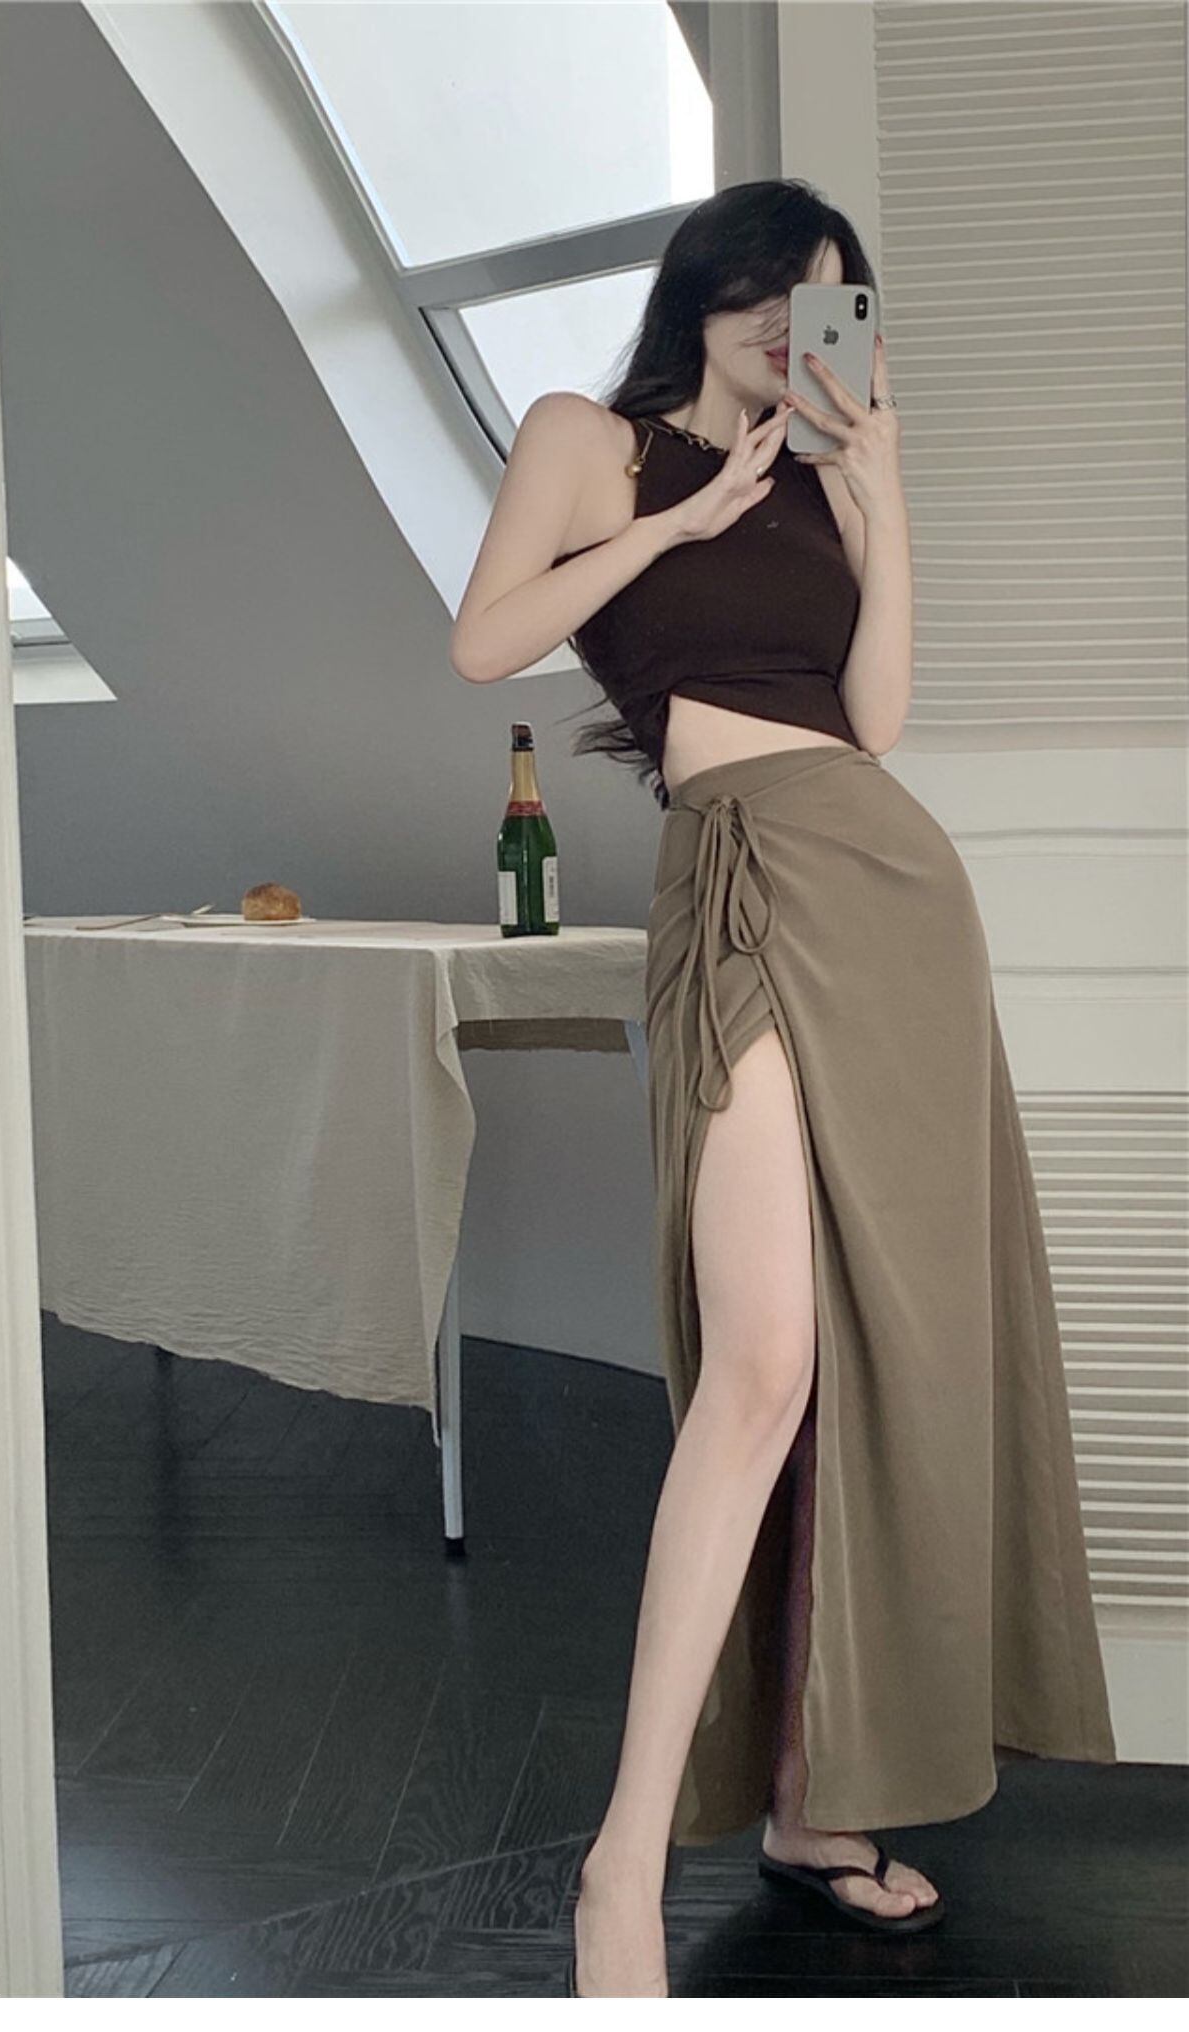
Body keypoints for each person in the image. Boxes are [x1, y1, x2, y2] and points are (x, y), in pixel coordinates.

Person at [450, 180, 1117, 1999]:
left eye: (824, 302)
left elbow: (874, 719)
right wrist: (691, 521)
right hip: (741, 876)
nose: (785, 324)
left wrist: (879, 496)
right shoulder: (590, 442)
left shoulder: (829, 476)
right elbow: (484, 642)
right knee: (760, 1366)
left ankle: (817, 1809)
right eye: (762, 289)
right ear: (702, 290)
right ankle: (619, 1865)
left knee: (882, 1361)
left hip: (891, 897)